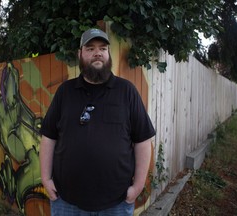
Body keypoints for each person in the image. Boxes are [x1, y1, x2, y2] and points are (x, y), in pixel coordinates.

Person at [39, 28, 156, 216]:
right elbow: (48, 137)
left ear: (108, 54)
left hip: (116, 203)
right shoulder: (65, 92)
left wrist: (138, 186)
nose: (97, 53)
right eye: (90, 48)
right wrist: (45, 178)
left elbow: (142, 140)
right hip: (67, 201)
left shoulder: (127, 91)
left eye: (103, 48)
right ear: (80, 54)